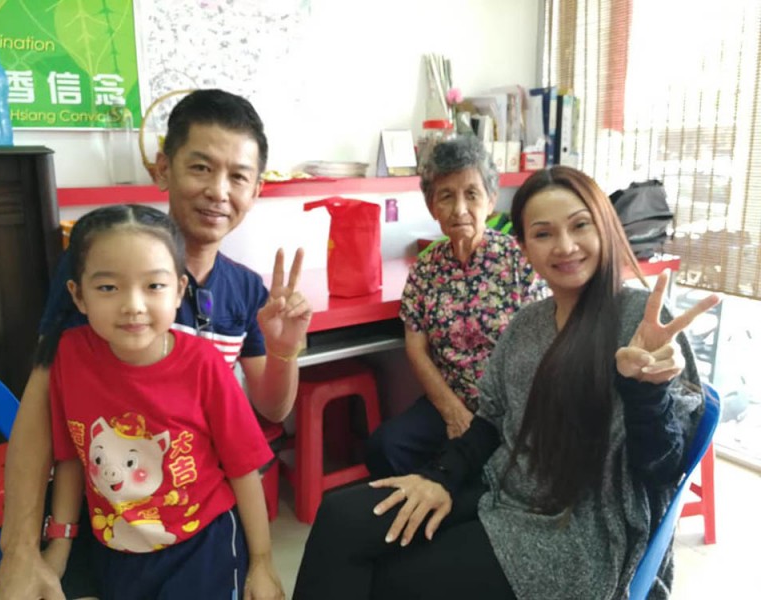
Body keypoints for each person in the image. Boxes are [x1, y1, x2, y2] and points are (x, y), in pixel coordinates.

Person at [293, 165, 721, 600]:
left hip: (579, 531)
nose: (565, 246)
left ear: (605, 228)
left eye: (580, 226)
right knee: (341, 518)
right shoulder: (526, 325)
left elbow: (663, 469)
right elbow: (491, 421)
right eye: (543, 233)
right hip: (503, 487)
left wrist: (646, 392)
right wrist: (439, 477)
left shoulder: (642, 321)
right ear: (524, 249)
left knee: (392, 578)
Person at [0, 90, 311, 600]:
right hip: (108, 511)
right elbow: (44, 403)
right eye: (200, 167)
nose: (218, 191)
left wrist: (284, 350)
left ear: (256, 189)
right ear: (163, 168)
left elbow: (271, 410)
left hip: (194, 521)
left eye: (238, 177)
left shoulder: (246, 290)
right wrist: (21, 548)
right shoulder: (101, 268)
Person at [38, 204, 283, 599]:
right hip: (114, 547)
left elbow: (244, 468)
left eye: (153, 286)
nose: (133, 305)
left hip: (201, 546)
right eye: (108, 288)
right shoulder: (69, 355)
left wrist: (262, 561)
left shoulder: (203, 364)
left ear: (179, 290)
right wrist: (59, 547)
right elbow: (70, 458)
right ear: (78, 296)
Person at [364, 135, 544, 478]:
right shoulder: (425, 269)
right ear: (432, 207)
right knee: (385, 447)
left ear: (491, 201)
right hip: (449, 399)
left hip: (509, 410)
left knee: (479, 471)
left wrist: (490, 420)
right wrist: (452, 411)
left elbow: (540, 347)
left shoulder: (519, 261)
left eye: (471, 194)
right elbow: (416, 349)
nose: (460, 209)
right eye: (446, 196)